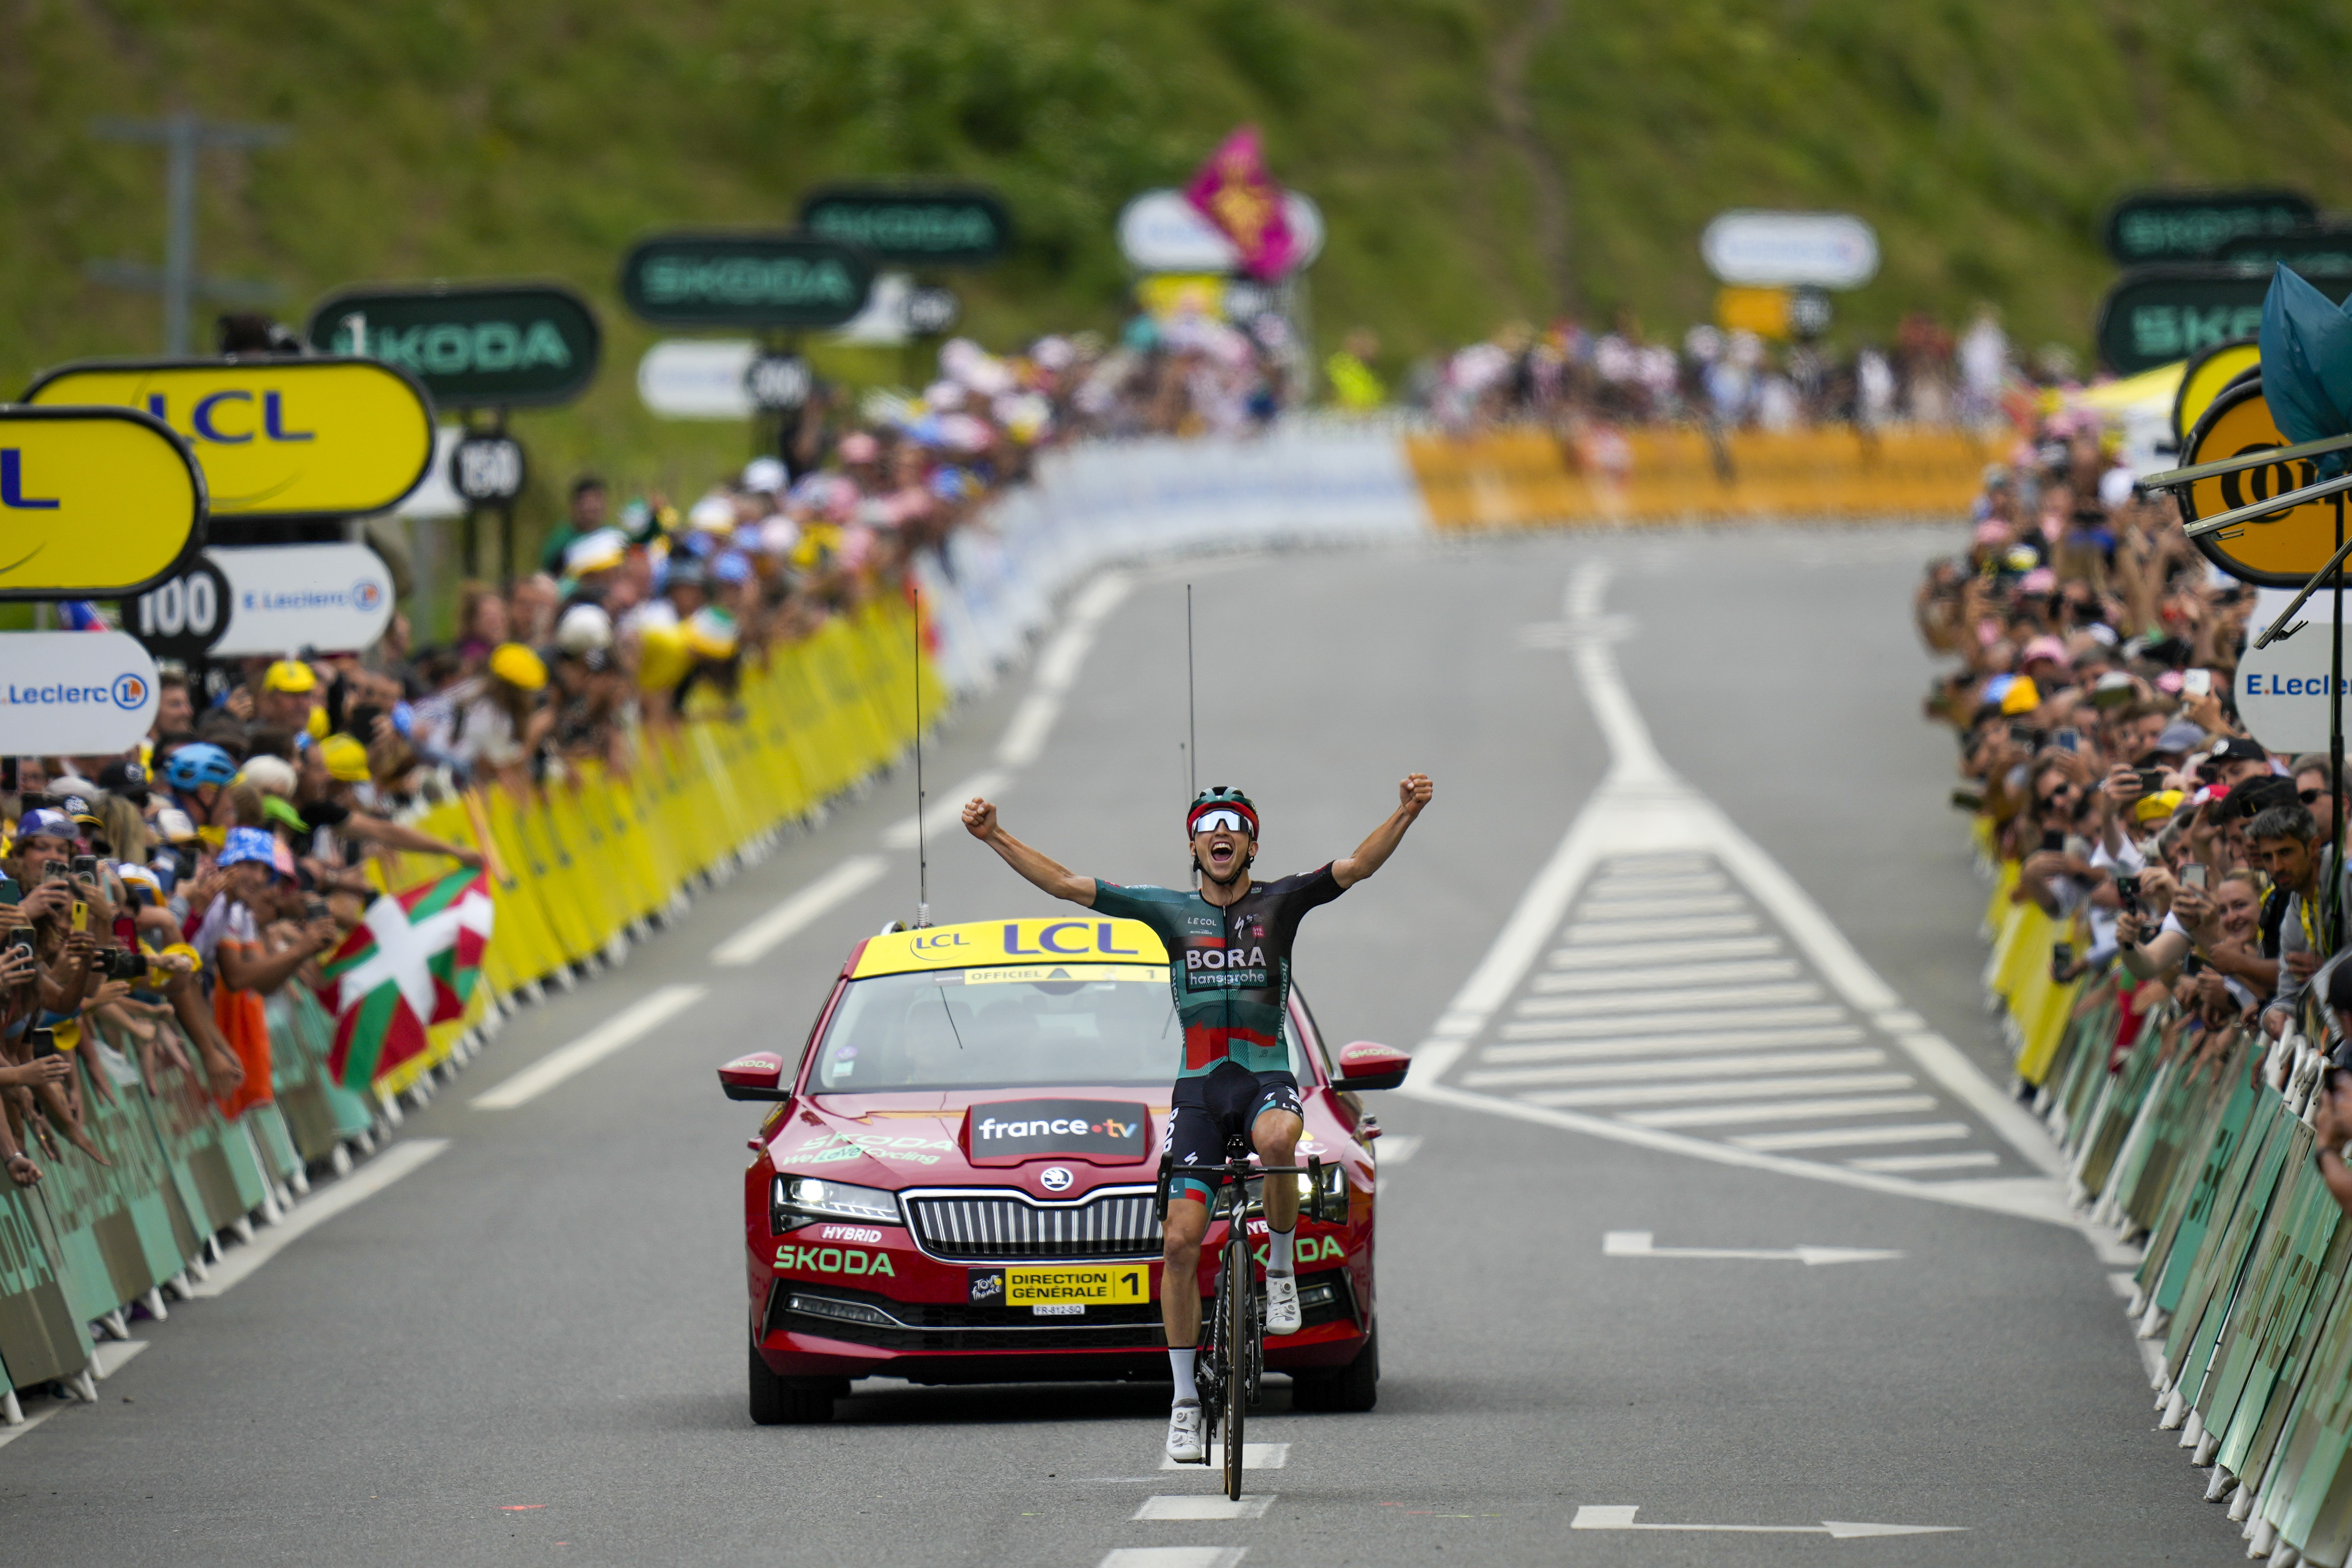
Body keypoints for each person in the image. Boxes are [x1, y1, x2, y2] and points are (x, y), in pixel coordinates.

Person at [961, 774, 1435, 1462]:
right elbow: (1066, 884)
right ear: (1193, 842)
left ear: (1251, 843)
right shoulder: (1168, 913)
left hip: (1267, 1077)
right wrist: (993, 835)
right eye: (1210, 825)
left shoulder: (1284, 902)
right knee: (1180, 1243)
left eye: (1235, 825)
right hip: (1199, 1094)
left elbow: (1356, 867)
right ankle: (1185, 1402)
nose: (1222, 834)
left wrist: (1406, 811)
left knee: (1280, 1136)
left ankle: (1277, 1272)